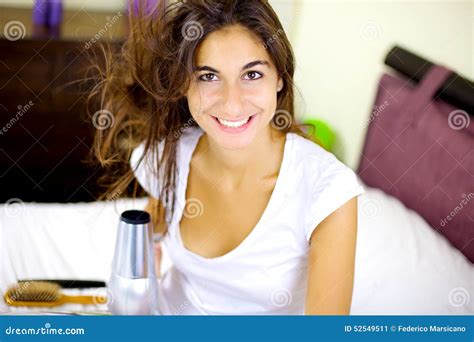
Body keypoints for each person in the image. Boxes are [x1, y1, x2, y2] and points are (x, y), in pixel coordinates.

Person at [90, 0, 365, 315]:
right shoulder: (173, 154)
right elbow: (152, 226)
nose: (232, 104)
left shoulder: (328, 191)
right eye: (208, 76)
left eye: (252, 74)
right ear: (184, 84)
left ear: (279, 77)